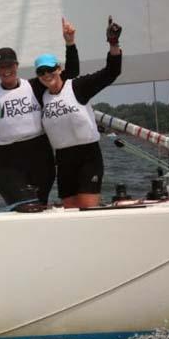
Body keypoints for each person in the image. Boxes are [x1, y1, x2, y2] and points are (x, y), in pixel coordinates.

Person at [0, 18, 79, 206]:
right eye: (2, 67)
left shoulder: (35, 85)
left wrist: (70, 43)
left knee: (39, 204)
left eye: (10, 66)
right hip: (5, 158)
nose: (6, 71)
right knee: (21, 206)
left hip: (39, 153)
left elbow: (70, 74)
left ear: (17, 65)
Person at [38, 16, 122, 208]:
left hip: (88, 157)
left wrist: (113, 43)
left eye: (50, 69)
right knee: (71, 214)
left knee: (87, 211)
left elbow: (112, 72)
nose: (46, 75)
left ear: (59, 69)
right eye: (40, 72)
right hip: (63, 159)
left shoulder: (78, 86)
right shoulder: (41, 96)